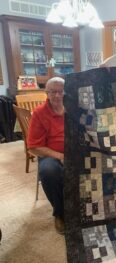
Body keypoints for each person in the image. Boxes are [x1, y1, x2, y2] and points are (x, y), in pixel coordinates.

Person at [27, 77, 65, 234]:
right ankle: (60, 214)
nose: (57, 96)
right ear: (46, 93)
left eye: (60, 91)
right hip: (50, 154)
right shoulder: (40, 113)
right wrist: (60, 156)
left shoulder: (74, 108)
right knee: (49, 171)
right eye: (52, 92)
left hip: (75, 151)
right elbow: (34, 147)